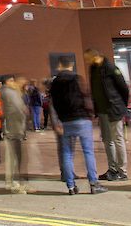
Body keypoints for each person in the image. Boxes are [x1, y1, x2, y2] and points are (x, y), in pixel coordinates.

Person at [52, 55, 107, 195]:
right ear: (71, 65)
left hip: (65, 121)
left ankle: (71, 186)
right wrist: (90, 113)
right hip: (81, 119)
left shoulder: (55, 82)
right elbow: (86, 97)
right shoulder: (78, 78)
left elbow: (55, 103)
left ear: (60, 65)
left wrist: (59, 119)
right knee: (88, 152)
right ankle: (94, 183)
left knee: (67, 153)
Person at [84, 48, 129, 181]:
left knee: (118, 139)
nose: (86, 61)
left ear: (94, 57)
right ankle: (112, 168)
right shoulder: (93, 69)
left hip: (113, 110)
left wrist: (121, 106)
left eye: (87, 58)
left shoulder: (110, 68)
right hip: (102, 111)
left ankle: (122, 170)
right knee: (107, 140)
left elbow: (124, 88)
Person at [0, 75, 34, 193]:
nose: (14, 83)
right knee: (14, 156)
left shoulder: (10, 92)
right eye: (12, 81)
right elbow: (18, 109)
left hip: (14, 127)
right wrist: (25, 116)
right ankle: (14, 184)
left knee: (15, 156)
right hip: (14, 128)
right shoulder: (9, 93)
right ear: (8, 82)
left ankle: (17, 182)